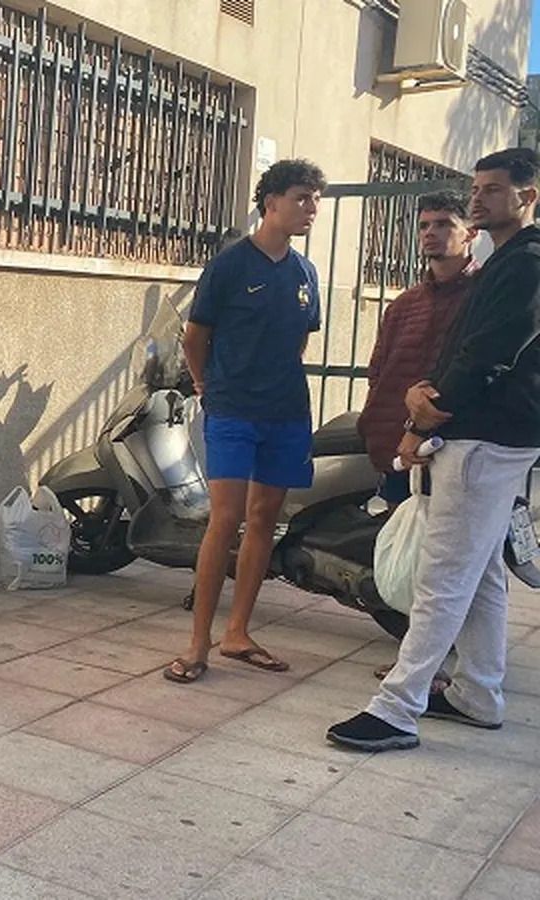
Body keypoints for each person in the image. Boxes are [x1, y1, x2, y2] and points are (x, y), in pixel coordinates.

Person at [329, 148, 540, 751]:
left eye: (493, 190)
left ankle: (397, 707)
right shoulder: (504, 261)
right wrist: (426, 392)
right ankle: (477, 693)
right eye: (476, 188)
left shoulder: (526, 262)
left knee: (444, 575)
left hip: (484, 439)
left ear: (527, 196)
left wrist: (427, 415)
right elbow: (468, 347)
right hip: (485, 434)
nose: (478, 199)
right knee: (481, 577)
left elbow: (492, 353)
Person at [165, 159, 326, 684]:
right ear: (271, 202)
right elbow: (195, 337)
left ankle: (238, 632)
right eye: (302, 197)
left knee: (263, 520)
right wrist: (208, 384)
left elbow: (301, 338)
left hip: (287, 413)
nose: (311, 208)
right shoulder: (230, 265)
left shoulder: (306, 274)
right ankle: (197, 644)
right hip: (233, 409)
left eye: (316, 200)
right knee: (225, 517)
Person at [359, 192, 477, 510]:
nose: (430, 233)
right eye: (424, 225)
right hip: (399, 449)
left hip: (459, 448)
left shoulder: (485, 295)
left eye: (443, 224)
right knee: (400, 550)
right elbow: (378, 373)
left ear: (471, 232)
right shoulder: (403, 305)